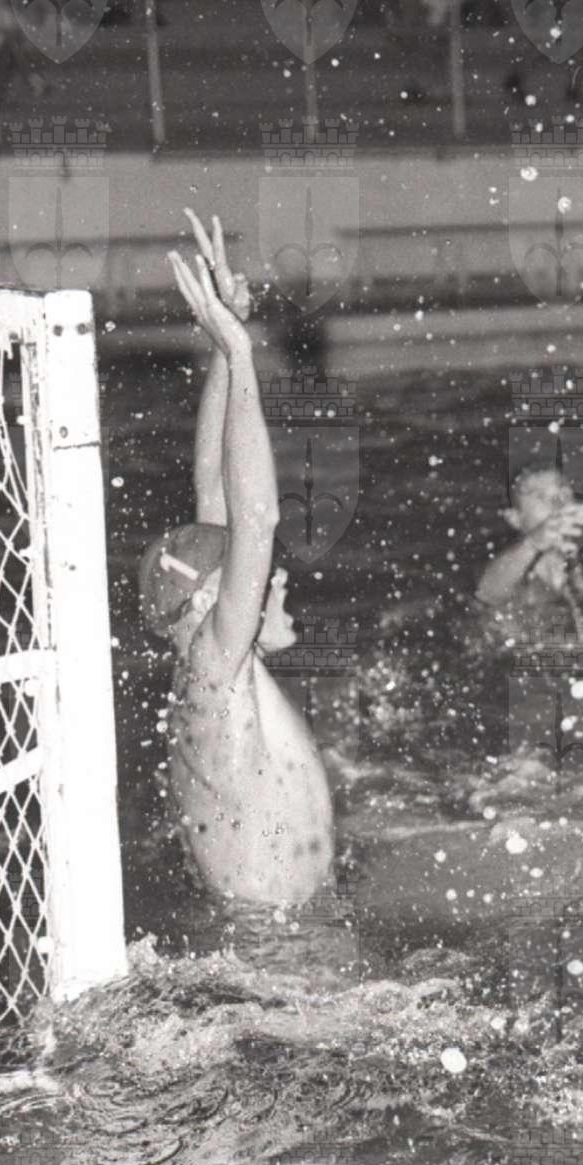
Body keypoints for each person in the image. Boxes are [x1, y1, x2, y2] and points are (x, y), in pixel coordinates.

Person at [144, 211, 335, 911]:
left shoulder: (207, 673)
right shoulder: (212, 668)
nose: (270, 576)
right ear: (205, 602)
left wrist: (225, 346)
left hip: (278, 932)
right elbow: (256, 517)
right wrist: (246, 357)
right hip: (282, 951)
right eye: (247, 577)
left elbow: (216, 491)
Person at [474, 461, 583, 651]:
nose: (557, 503)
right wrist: (534, 543)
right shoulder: (506, 572)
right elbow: (486, 592)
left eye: (563, 493)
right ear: (515, 518)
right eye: (540, 496)